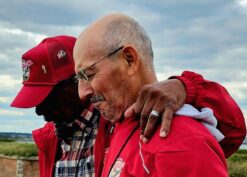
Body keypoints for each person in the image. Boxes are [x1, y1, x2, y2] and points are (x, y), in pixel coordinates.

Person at [11, 35, 245, 177]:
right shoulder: (51, 137)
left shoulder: (130, 118)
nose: (40, 112)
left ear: (77, 81)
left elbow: (231, 133)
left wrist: (186, 88)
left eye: (45, 98)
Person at [73, 13, 246, 177]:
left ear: (129, 60)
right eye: (78, 79)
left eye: (88, 74)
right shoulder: (118, 125)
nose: (82, 93)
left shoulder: (180, 142)